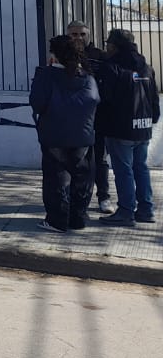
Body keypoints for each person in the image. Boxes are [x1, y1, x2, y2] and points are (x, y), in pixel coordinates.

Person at [29, 34, 99, 233]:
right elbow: (95, 101)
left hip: (54, 135)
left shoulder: (47, 75)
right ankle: (78, 218)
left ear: (54, 55)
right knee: (82, 178)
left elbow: (37, 103)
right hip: (82, 136)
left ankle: (57, 221)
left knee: (56, 178)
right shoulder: (87, 77)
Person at [94, 28, 159, 226]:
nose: (107, 47)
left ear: (114, 46)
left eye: (108, 44)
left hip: (119, 127)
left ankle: (126, 211)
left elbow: (105, 98)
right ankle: (146, 210)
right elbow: (153, 97)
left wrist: (100, 122)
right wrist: (152, 118)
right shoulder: (146, 67)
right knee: (141, 167)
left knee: (124, 170)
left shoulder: (111, 67)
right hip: (143, 126)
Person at [66, 20, 114, 214]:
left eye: (82, 34)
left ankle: (104, 197)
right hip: (72, 118)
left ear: (89, 36)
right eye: (74, 34)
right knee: (74, 161)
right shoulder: (62, 56)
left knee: (100, 159)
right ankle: (77, 200)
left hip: (98, 116)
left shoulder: (101, 56)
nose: (78, 37)